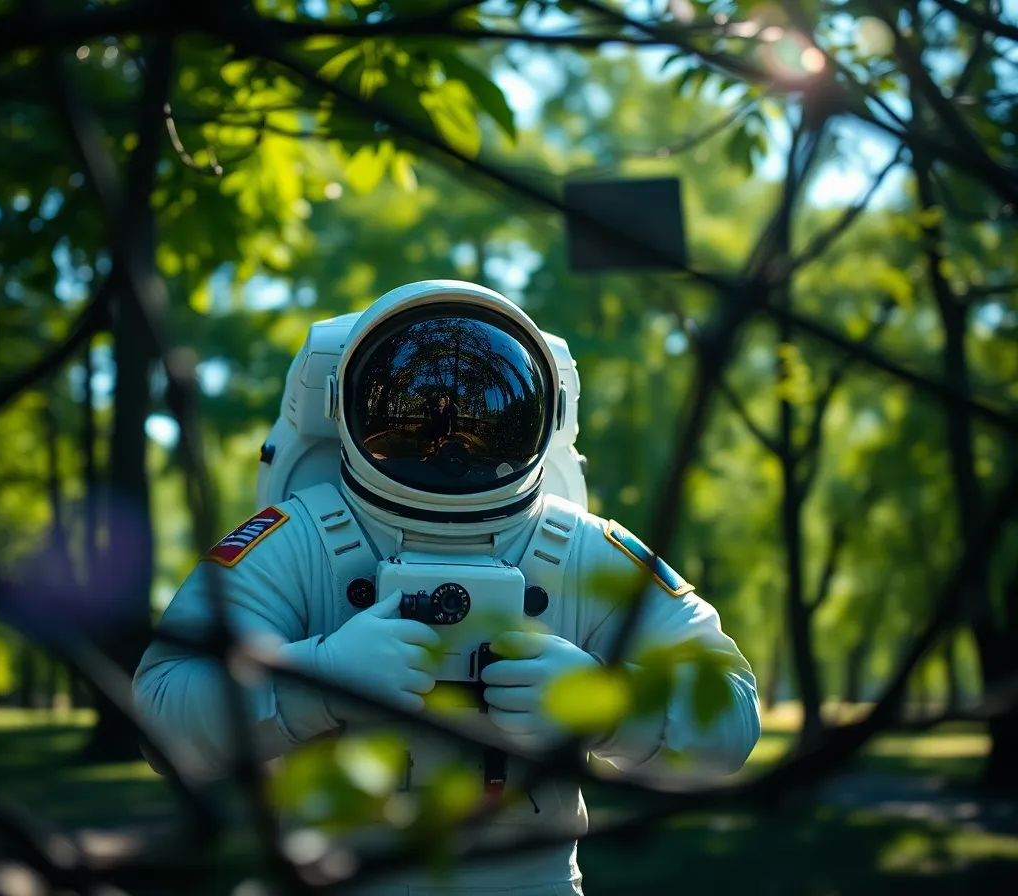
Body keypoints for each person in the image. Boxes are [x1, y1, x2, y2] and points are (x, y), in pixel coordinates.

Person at [133, 280, 761, 896]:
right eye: (419, 419)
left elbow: (733, 714)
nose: (450, 442)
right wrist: (318, 680)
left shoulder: (581, 547)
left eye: (481, 416)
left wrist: (604, 705)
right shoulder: (299, 542)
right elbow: (159, 715)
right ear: (342, 403)